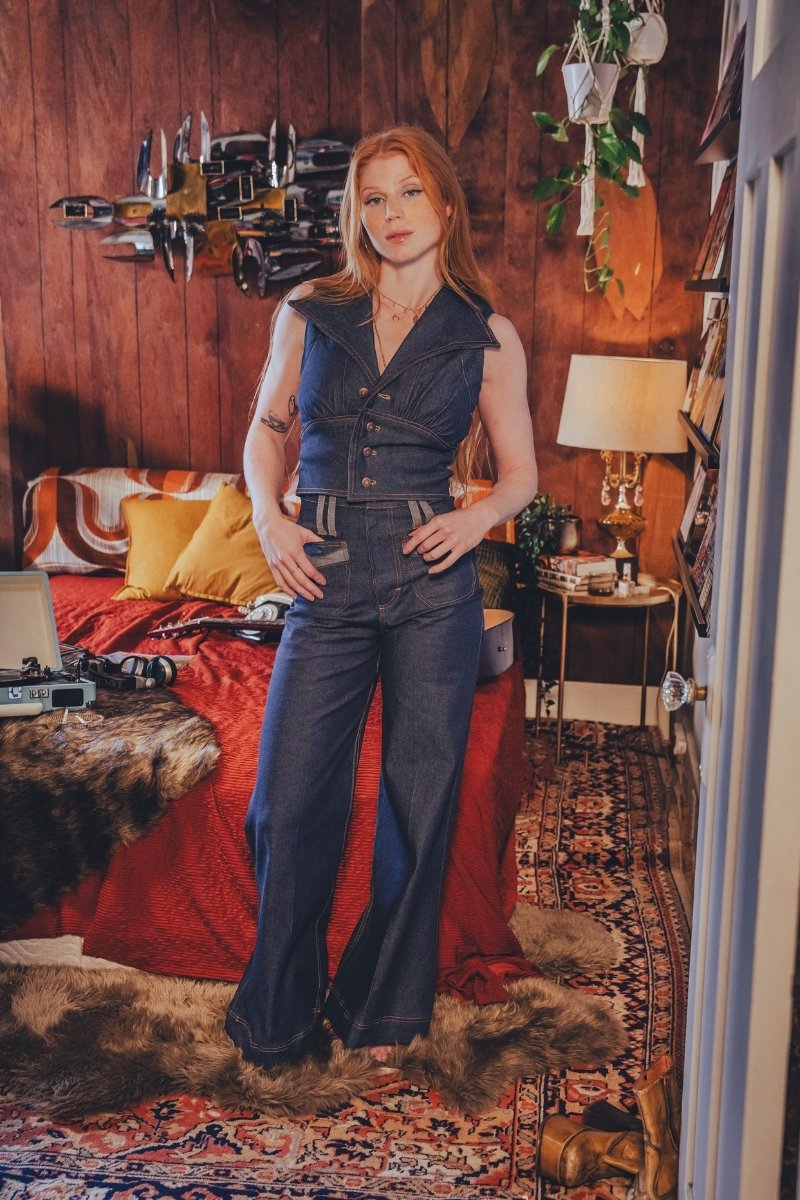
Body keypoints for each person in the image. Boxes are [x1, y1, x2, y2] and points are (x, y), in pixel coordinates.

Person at [224, 125, 538, 1069]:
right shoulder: (310, 311)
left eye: (408, 192)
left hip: (431, 582)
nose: (392, 213)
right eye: (373, 197)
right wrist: (268, 518)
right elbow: (266, 430)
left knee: (419, 800)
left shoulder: (486, 334)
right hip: (322, 572)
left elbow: (521, 475)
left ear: (443, 204)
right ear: (354, 213)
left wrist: (475, 522)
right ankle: (279, 1017)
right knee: (285, 801)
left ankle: (378, 1010)